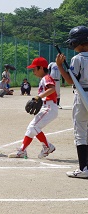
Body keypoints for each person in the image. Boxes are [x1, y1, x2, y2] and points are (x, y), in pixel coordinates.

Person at [9, 57, 57, 159]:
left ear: (41, 68)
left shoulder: (46, 78)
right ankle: (22, 150)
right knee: (31, 128)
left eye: (34, 69)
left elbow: (52, 89)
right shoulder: (43, 79)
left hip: (49, 107)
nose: (33, 71)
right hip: (47, 107)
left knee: (34, 127)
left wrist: (39, 97)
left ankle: (47, 146)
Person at [56, 25, 88, 178]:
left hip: (82, 96)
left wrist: (60, 66)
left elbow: (70, 81)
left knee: (80, 132)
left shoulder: (78, 58)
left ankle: (84, 168)